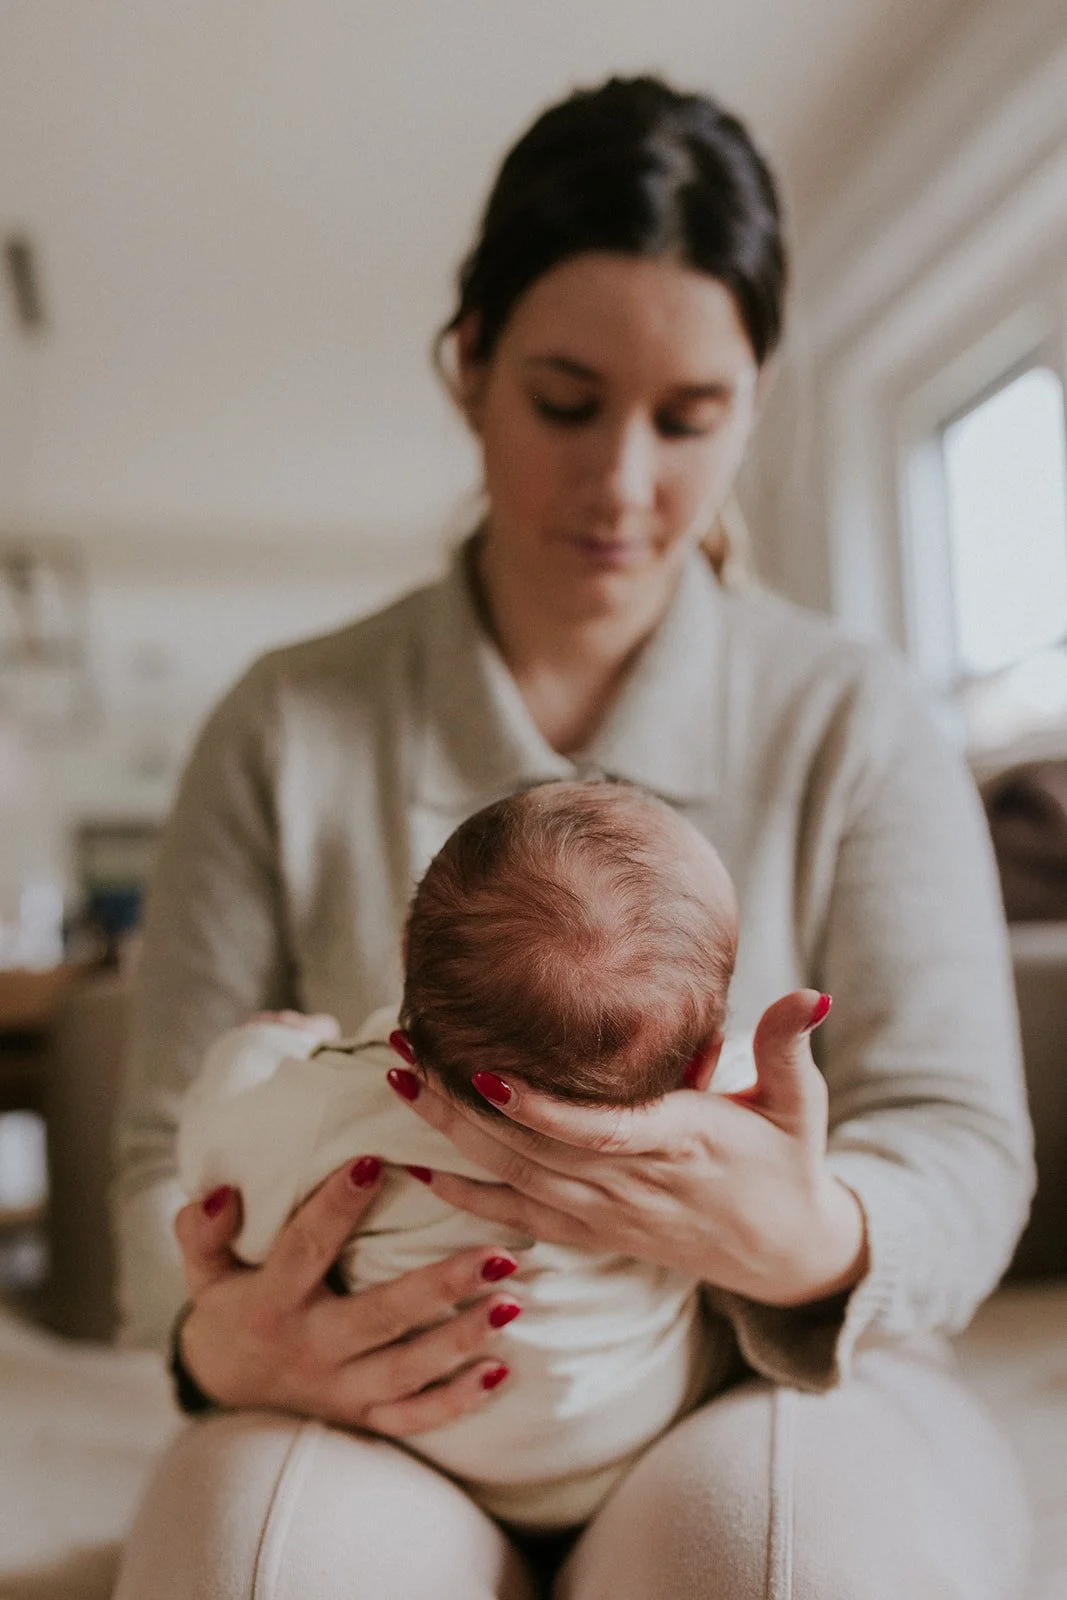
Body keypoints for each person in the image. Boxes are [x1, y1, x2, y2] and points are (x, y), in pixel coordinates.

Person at [112, 74, 1034, 1600]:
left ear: (756, 399)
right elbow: (161, 1152)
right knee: (252, 1565)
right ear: (466, 365)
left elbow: (958, 1142)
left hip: (770, 1381)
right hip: (370, 1407)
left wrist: (810, 1240)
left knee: (784, 1563)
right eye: (562, 401)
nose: (620, 483)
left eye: (688, 420)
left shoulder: (851, 718)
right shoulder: (284, 727)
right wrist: (223, 1336)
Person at [176, 780, 749, 1530]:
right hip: (640, 1425)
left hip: (428, 1438)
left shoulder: (334, 1109)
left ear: (404, 951)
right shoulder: (718, 1120)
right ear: (700, 1065)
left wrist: (268, 1046)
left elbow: (212, 1159)